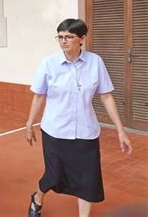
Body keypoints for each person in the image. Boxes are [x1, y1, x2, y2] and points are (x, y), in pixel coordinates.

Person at [25, 18, 133, 217]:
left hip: (86, 131)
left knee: (87, 179)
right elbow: (39, 95)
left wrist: (120, 130)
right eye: (60, 37)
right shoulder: (49, 64)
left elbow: (106, 96)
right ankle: (38, 197)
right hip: (55, 131)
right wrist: (29, 123)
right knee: (54, 175)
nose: (63, 41)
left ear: (82, 38)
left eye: (69, 37)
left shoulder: (95, 62)